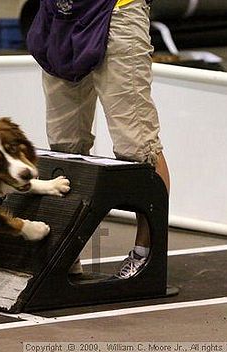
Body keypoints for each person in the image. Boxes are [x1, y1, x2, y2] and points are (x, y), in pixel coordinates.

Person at [27, 0, 170, 279]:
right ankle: (66, 254)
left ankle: (146, 254)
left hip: (118, 11)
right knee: (65, 147)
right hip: (61, 14)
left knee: (138, 146)